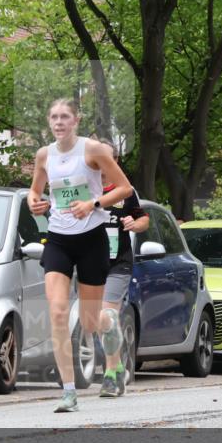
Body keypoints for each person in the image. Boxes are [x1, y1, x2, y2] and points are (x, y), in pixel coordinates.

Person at [28, 99, 133, 412]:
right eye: (54, 117)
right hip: (59, 239)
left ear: (76, 120)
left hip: (91, 239)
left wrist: (94, 204)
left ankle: (109, 326)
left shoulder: (93, 150)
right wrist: (34, 203)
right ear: (49, 122)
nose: (59, 122)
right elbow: (35, 190)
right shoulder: (44, 155)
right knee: (58, 312)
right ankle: (69, 392)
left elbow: (125, 188)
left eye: (65, 117)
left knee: (89, 323)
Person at [97, 161, 148, 398]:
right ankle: (117, 366)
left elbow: (143, 220)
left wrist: (133, 223)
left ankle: (109, 376)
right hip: (91, 263)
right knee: (99, 322)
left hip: (119, 263)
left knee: (107, 317)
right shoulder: (85, 189)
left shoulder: (125, 190)